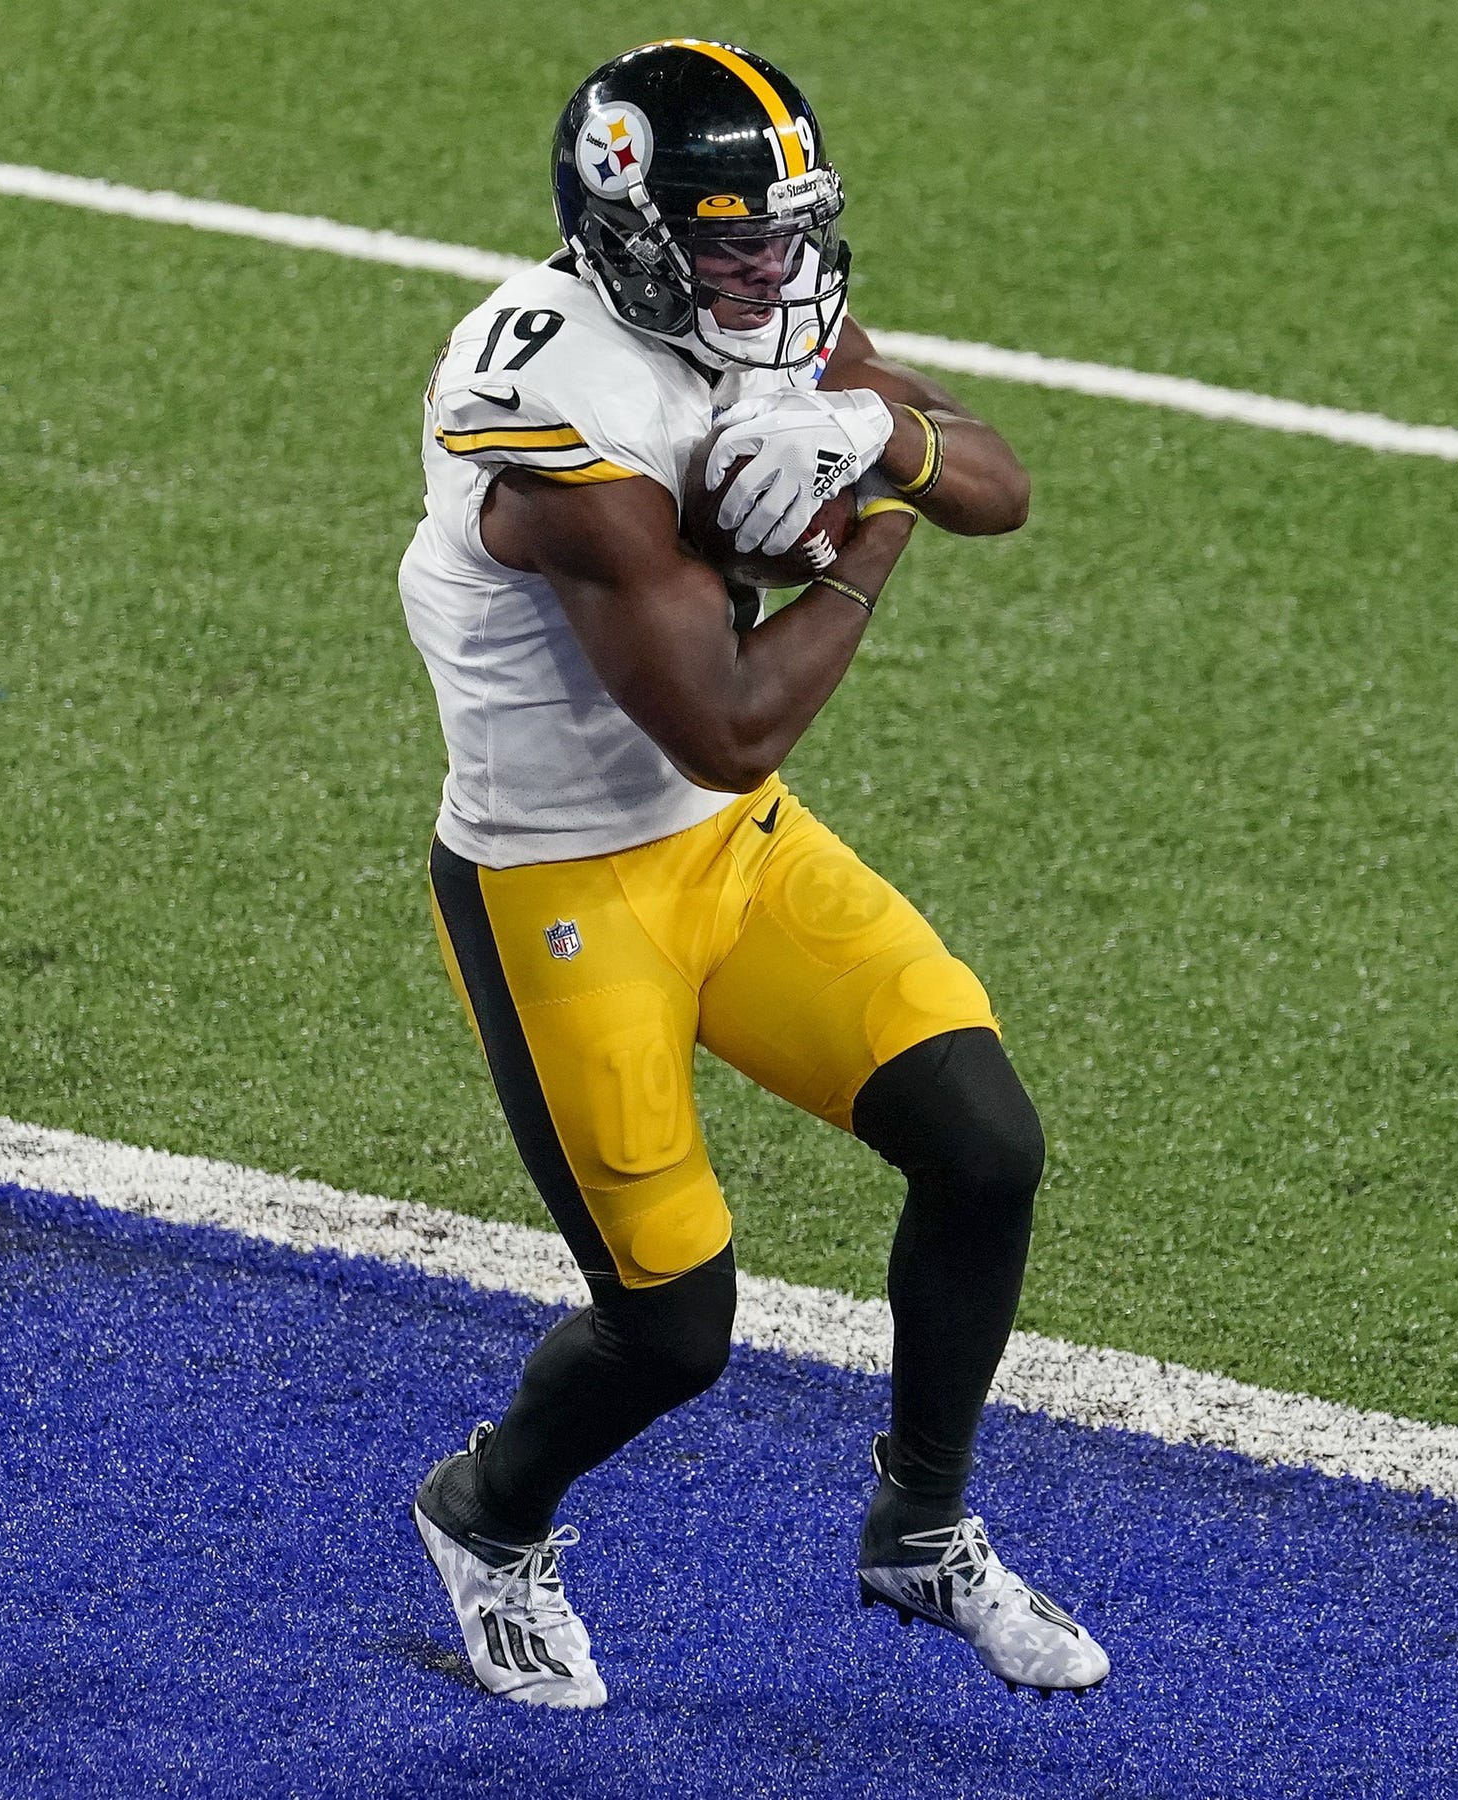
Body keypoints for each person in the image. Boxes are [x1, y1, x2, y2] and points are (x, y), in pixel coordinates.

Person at [398, 39, 1107, 1705]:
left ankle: (920, 1527)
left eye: (787, 238)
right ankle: (487, 1514)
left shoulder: (762, 301)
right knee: (671, 1323)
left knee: (985, 1147)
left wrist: (880, 432)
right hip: (562, 892)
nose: (773, 277)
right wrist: (877, 520)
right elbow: (730, 725)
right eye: (732, 248)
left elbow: (1000, 482)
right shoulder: (557, 413)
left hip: (729, 856)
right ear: (634, 241)